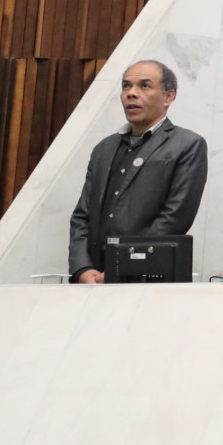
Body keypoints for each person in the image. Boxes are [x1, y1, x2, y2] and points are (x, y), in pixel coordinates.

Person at [67, 60, 208, 284]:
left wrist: (119, 267)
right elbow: (82, 216)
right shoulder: (104, 148)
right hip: (92, 282)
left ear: (168, 97)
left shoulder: (187, 144)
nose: (131, 93)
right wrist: (82, 268)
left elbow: (174, 218)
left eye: (144, 86)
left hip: (147, 280)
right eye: (126, 86)